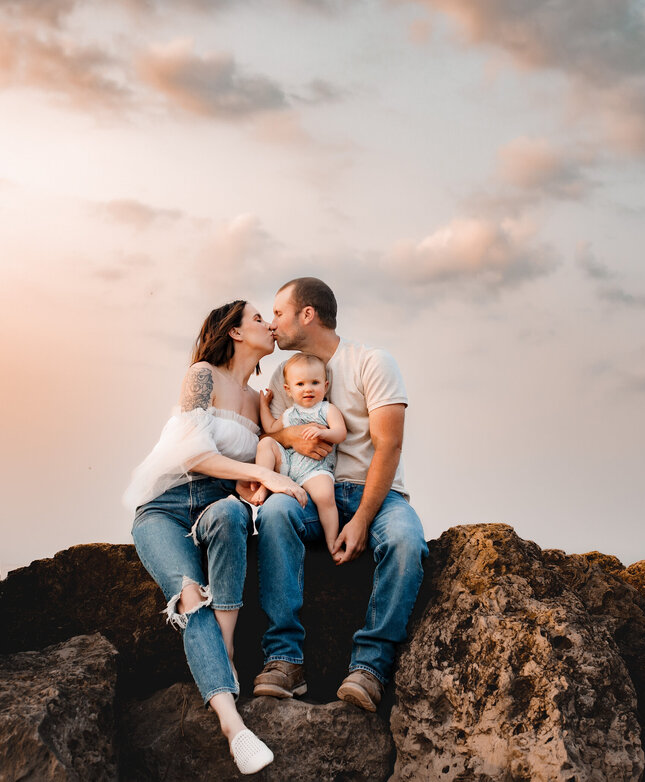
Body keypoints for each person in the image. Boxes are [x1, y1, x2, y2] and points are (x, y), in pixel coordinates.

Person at [123, 300, 308, 776]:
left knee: (230, 512)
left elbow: (268, 450)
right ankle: (233, 724)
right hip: (167, 507)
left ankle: (222, 650)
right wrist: (265, 478)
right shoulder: (202, 375)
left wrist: (263, 478)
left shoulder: (258, 399)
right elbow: (194, 451)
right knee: (188, 594)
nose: (270, 324)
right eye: (259, 319)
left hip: (215, 507)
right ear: (236, 332)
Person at [250, 277, 428, 711]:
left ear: (306, 314)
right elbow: (273, 432)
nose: (272, 324)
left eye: (278, 313)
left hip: (377, 495)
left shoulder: (372, 361)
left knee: (407, 543)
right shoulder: (283, 373)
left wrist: (363, 518)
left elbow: (390, 445)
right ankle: (285, 660)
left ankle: (370, 667)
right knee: (274, 514)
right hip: (310, 488)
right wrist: (294, 437)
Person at [253, 352, 348, 556]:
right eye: (300, 384)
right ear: (288, 390)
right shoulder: (289, 415)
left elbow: (340, 433)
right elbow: (269, 428)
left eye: (315, 383)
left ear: (326, 385)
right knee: (267, 443)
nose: (308, 389)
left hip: (315, 468)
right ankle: (265, 484)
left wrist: (324, 432)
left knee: (325, 496)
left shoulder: (327, 410)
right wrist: (264, 404)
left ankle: (333, 543)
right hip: (288, 466)